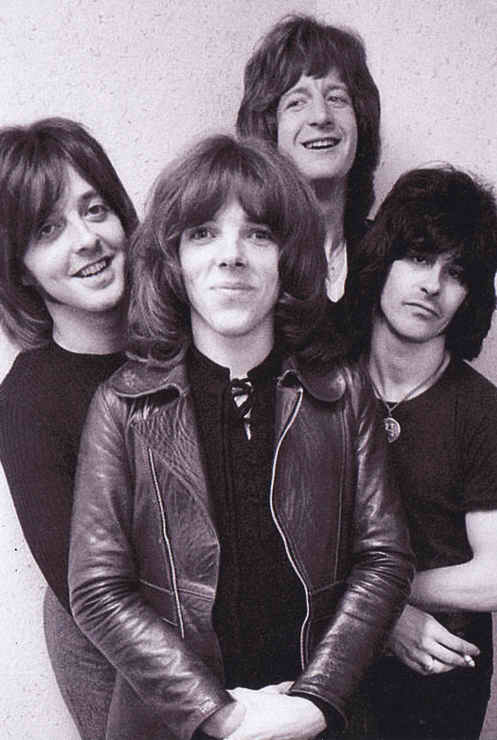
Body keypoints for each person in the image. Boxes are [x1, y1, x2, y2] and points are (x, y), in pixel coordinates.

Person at [68, 134, 413, 740]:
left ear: (289, 259)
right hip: (176, 725)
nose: (232, 255)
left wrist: (314, 702)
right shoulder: (122, 406)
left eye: (258, 234)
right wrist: (222, 717)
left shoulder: (342, 392)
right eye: (204, 233)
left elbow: (384, 558)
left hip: (313, 718)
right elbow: (98, 591)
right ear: (174, 261)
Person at [347, 165, 497, 739]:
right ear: (382, 258)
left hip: (441, 681)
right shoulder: (324, 388)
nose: (432, 284)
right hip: (331, 668)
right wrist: (381, 614)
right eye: (417, 257)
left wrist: (385, 599)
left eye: (455, 272)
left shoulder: (480, 409)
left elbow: (493, 575)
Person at [0, 117, 138, 739]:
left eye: (95, 209)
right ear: (20, 268)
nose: (86, 240)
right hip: (117, 657)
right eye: (48, 229)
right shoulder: (27, 404)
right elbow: (92, 599)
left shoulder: (193, 339)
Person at [236, 13, 380, 304]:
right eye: (296, 102)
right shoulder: (246, 257)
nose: (321, 116)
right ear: (269, 128)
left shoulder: (384, 256)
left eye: (336, 98)